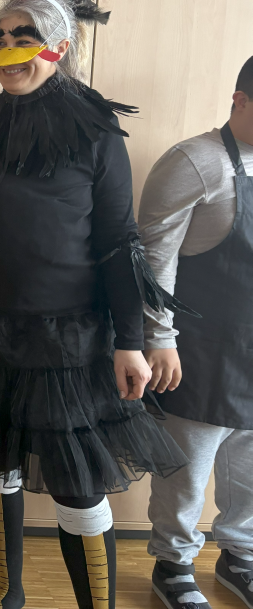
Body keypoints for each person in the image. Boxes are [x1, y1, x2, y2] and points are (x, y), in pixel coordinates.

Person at [0, 0, 189, 609]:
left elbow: (119, 243)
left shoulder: (95, 129)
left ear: (56, 47)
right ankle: (7, 591)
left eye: (24, 36)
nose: (7, 49)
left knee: (77, 487)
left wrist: (131, 340)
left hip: (67, 340)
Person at [140, 56, 253, 609]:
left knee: (250, 470)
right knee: (187, 469)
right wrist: (159, 337)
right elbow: (152, 258)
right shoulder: (195, 162)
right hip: (201, 351)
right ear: (239, 100)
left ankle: (241, 556)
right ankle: (173, 562)